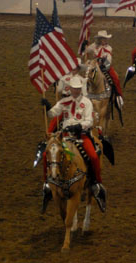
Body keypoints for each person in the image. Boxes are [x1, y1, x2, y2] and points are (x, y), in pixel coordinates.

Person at [40, 76, 107, 213]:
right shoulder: (64, 102)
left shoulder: (87, 102)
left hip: (81, 135)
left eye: (77, 89)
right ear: (70, 89)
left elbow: (89, 121)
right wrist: (47, 107)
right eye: (73, 89)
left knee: (94, 157)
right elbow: (53, 113)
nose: (75, 91)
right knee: (47, 154)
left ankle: (96, 183)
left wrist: (79, 126)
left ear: (80, 89)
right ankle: (47, 183)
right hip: (64, 136)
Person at [85, 30, 124, 106]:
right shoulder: (94, 46)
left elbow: (109, 60)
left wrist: (104, 63)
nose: (104, 41)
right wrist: (85, 45)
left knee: (115, 78)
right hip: (94, 66)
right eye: (103, 39)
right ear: (99, 39)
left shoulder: (109, 48)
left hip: (105, 67)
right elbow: (86, 51)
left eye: (105, 39)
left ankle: (118, 96)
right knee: (86, 77)